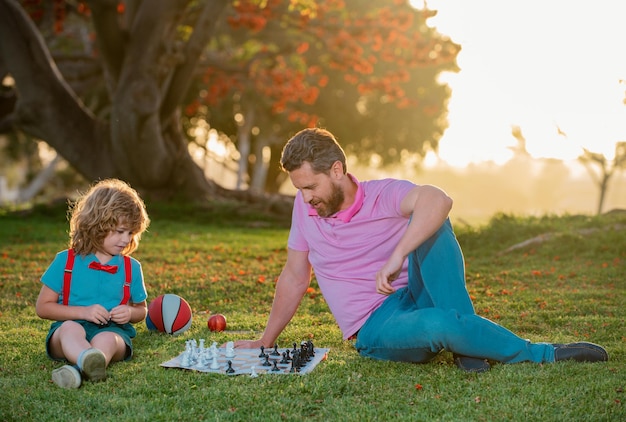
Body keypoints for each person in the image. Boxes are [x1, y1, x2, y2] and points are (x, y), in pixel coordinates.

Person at [234, 127, 608, 372]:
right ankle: (526, 352)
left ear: (336, 170)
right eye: (299, 189)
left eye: (309, 187)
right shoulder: (305, 207)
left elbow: (439, 199)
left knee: (433, 220)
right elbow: (296, 275)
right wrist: (265, 342)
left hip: (413, 294)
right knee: (440, 324)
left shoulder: (383, 194)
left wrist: (399, 255)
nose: (305, 198)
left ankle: (480, 348)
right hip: (377, 327)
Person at [36, 178, 150, 388]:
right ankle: (85, 360)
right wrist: (83, 312)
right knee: (70, 330)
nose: (126, 239)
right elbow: (43, 307)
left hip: (113, 330)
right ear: (97, 225)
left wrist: (129, 313)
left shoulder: (131, 267)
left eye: (131, 233)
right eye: (119, 231)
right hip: (66, 332)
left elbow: (141, 310)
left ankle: (89, 365)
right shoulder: (66, 261)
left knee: (109, 339)